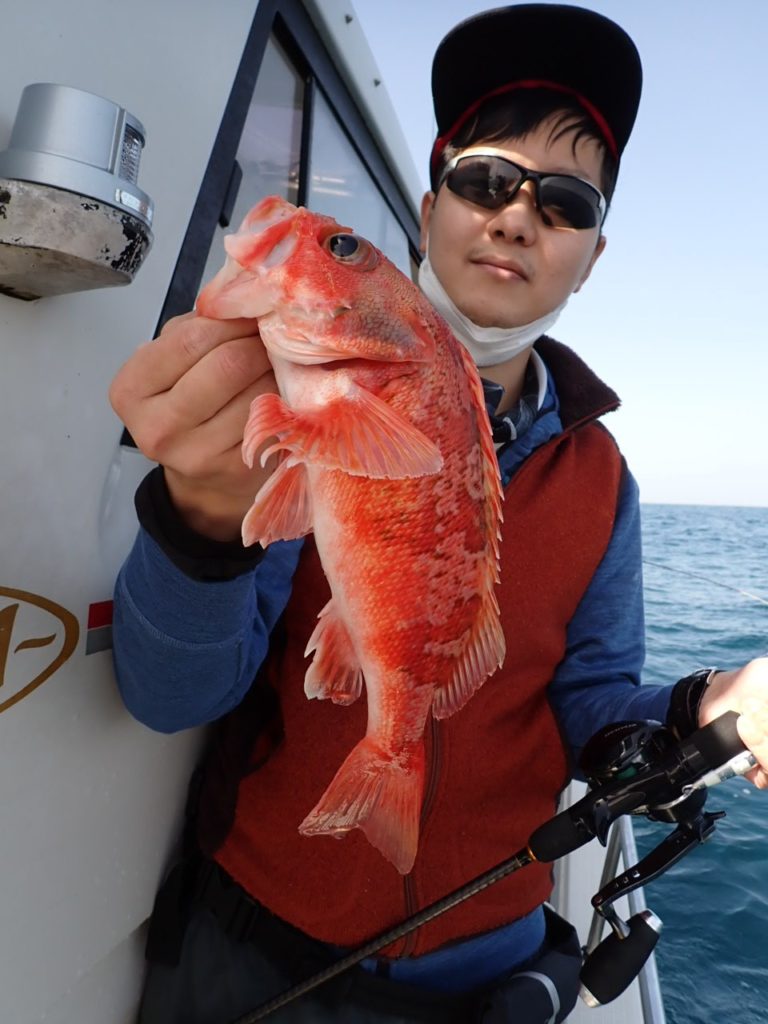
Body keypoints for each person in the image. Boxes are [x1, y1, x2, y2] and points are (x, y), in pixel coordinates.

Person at [109, 5, 768, 1023]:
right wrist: (196, 522)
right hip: (253, 948)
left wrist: (702, 705)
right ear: (428, 212)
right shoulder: (289, 409)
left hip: (488, 973)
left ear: (593, 255)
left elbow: (591, 707)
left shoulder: (604, 480)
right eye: (484, 180)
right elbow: (170, 696)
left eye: (565, 203)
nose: (516, 218)